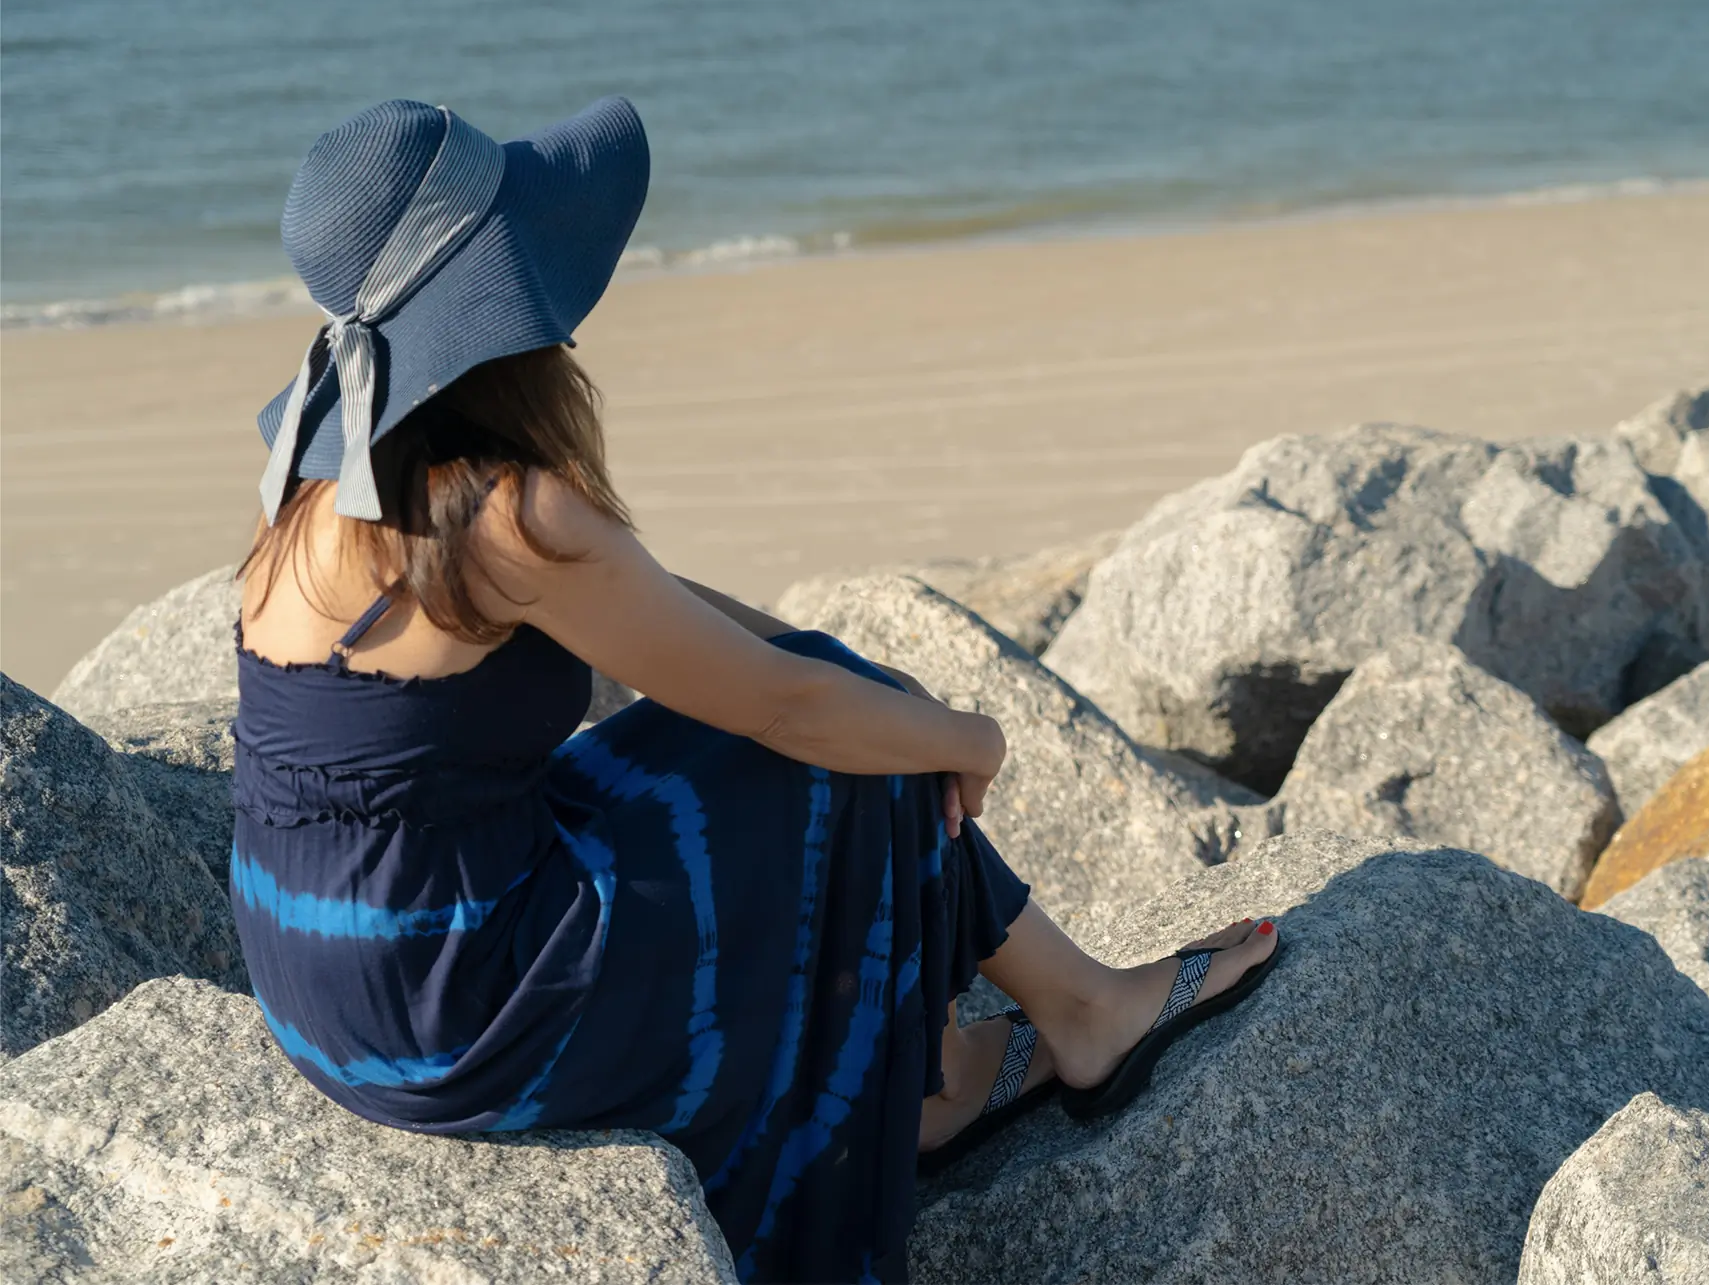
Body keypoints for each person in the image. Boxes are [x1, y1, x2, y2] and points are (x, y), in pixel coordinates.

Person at [232, 95, 1281, 1284]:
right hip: (454, 1004)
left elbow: (653, 604)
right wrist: (963, 733)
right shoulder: (505, 514)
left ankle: (951, 1053)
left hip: (325, 981)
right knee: (843, 753)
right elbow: (783, 714)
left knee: (842, 713)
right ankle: (1061, 1023)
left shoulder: (330, 460)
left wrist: (844, 668)